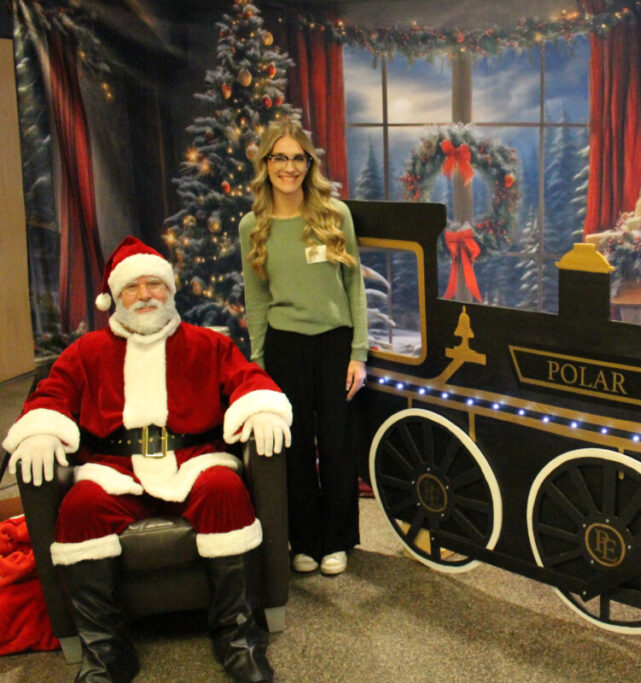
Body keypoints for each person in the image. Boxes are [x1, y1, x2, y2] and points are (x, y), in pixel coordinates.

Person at [4, 236, 292, 683]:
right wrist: (41, 429)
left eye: (153, 284)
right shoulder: (85, 353)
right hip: (113, 469)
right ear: (114, 298)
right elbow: (52, 394)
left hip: (194, 459)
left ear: (169, 290)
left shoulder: (206, 344)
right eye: (132, 287)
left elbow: (249, 380)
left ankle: (238, 639)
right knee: (79, 510)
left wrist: (262, 409)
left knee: (226, 491)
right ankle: (107, 651)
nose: (144, 295)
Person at [239, 121, 368, 577]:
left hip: (335, 345)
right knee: (292, 451)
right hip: (284, 346)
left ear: (308, 163)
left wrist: (359, 352)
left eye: (298, 158)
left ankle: (337, 541)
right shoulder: (252, 226)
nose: (289, 167)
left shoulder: (334, 214)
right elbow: (256, 299)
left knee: (337, 445)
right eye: (280, 158)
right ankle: (305, 542)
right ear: (266, 164)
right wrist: (257, 365)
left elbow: (354, 285)